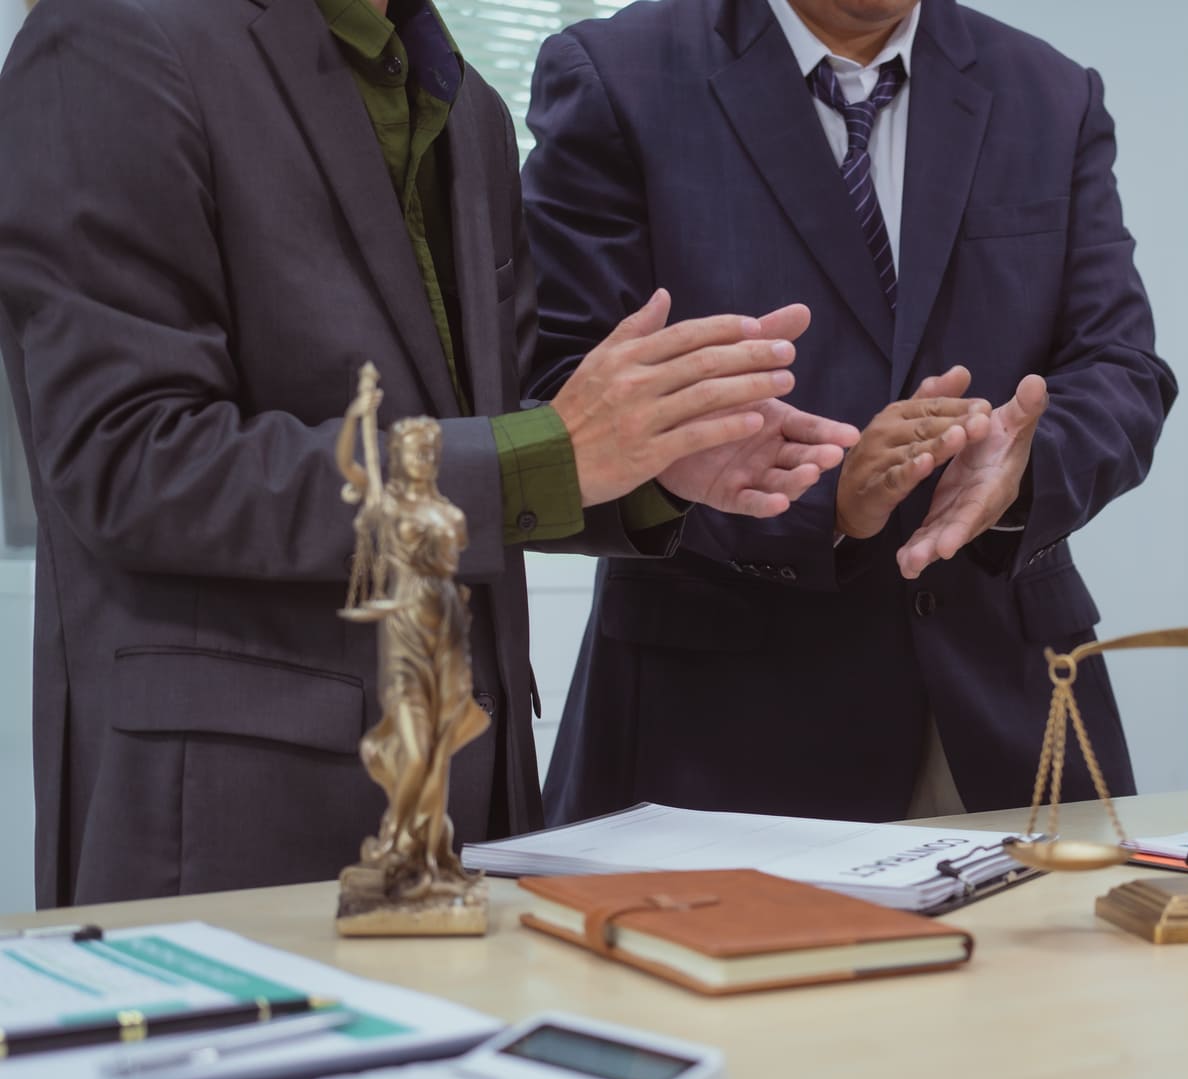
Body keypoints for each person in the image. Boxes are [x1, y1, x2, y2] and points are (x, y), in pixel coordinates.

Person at [0, 0, 859, 905]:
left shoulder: (468, 102)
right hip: (231, 828)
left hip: (477, 806)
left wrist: (650, 465)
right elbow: (135, 463)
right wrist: (554, 454)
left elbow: (493, 435)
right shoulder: (112, 38)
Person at [524, 0, 1176, 825]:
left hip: (1005, 713)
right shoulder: (616, 74)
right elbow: (563, 400)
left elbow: (1122, 369)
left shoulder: (1049, 92)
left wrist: (1025, 465)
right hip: (719, 731)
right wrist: (820, 505)